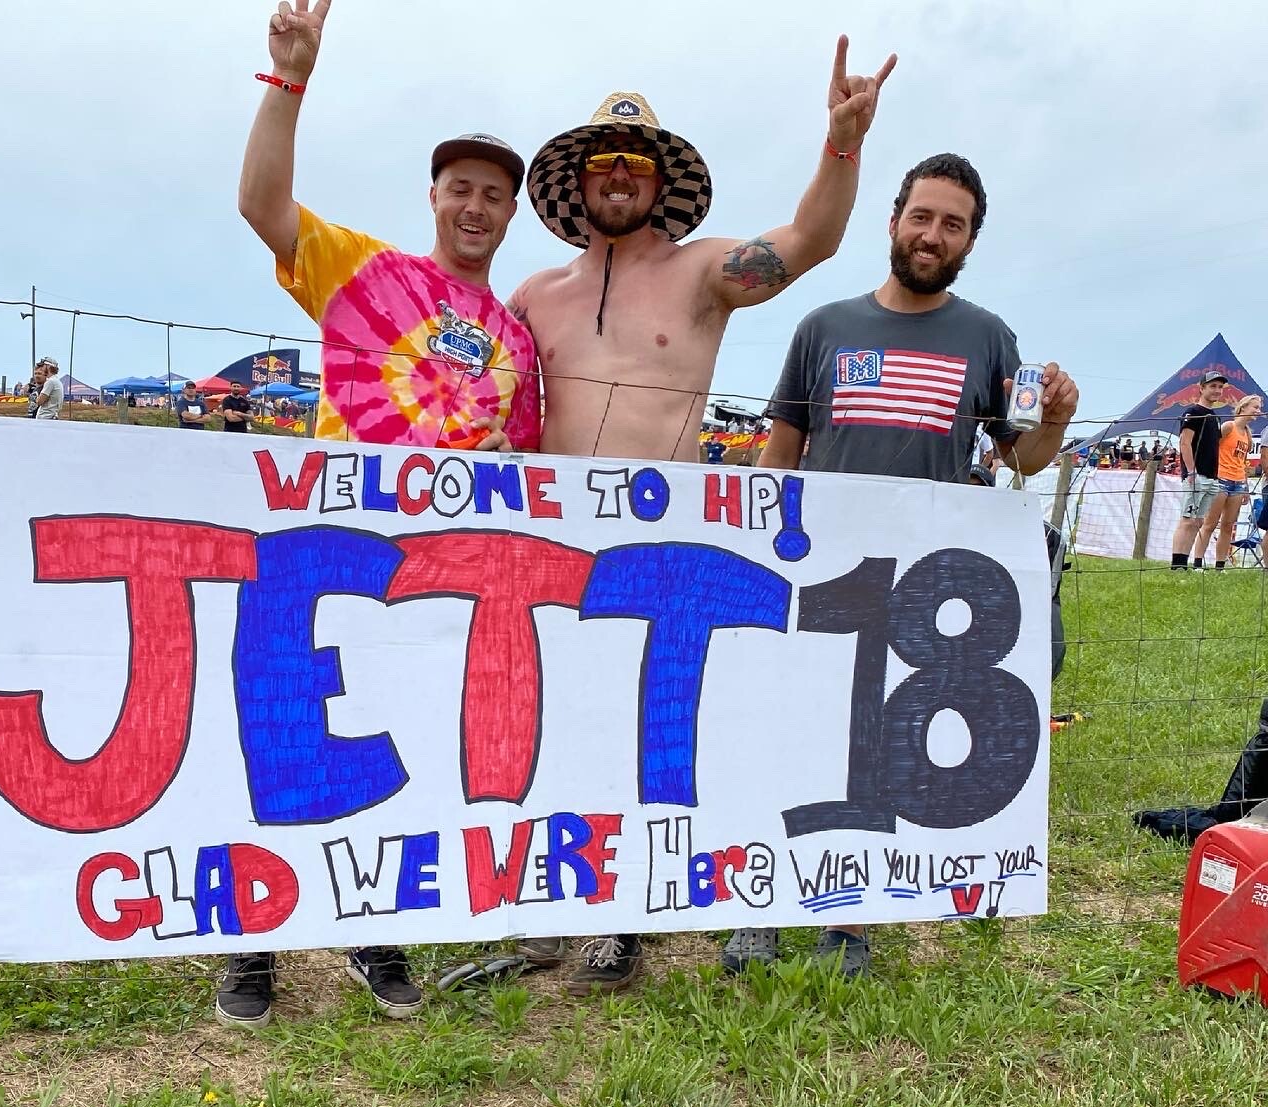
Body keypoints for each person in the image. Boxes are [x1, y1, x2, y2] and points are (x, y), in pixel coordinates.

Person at [511, 39, 894, 995]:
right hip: (551, 539)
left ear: (660, 181)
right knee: (554, 721)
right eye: (602, 164)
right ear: (576, 181)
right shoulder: (532, 295)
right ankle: (553, 900)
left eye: (634, 164)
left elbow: (808, 242)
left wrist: (842, 146)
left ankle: (627, 919)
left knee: (650, 726)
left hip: (661, 535)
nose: (617, 178)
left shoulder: (703, 275)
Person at [231, 0, 540, 1027]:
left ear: (512, 213)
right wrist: (289, 82)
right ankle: (251, 947)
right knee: (284, 740)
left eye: (494, 195)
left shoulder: (514, 340)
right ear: (435, 196)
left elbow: (529, 466)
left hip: (434, 577)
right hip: (326, 547)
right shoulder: (367, 270)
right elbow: (263, 207)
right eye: (461, 188)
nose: (475, 207)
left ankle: (371, 935)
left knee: (393, 750)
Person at [720, 151, 1078, 980]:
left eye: (953, 225)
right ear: (893, 220)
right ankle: (761, 908)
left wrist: (1057, 420)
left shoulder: (988, 337)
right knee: (791, 736)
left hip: (925, 586)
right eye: (922, 216)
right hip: (821, 572)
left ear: (970, 242)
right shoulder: (824, 327)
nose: (933, 235)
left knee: (882, 748)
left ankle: (850, 915)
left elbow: (1020, 460)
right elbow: (781, 455)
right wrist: (754, 540)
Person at [1191, 395, 1262, 569]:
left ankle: (1220, 565)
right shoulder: (1228, 427)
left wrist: (1245, 485)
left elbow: (1242, 462)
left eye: (1259, 408)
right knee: (1210, 523)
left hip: (1238, 482)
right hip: (1221, 478)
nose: (1258, 411)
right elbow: (1211, 447)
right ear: (1243, 407)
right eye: (1255, 407)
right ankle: (1198, 563)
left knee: (1228, 525)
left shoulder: (1248, 434)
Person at [1170, 371, 1229, 569]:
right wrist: (1191, 471)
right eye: (1212, 386)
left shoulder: (1215, 416)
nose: (1217, 390)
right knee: (1187, 520)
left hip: (1212, 476)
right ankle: (1177, 565)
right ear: (1201, 388)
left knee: (1198, 521)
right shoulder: (1193, 412)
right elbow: (1185, 443)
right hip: (1197, 475)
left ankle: (1184, 563)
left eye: (1220, 387)